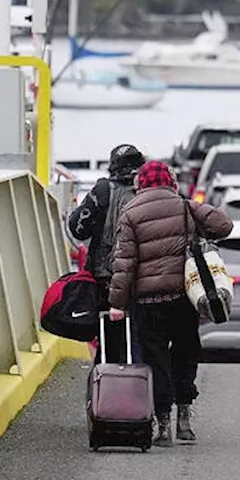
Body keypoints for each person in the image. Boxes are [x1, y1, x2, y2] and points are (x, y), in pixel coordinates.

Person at [109, 160, 233, 447]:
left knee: (155, 360)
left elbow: (124, 263)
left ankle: (162, 424)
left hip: (148, 301)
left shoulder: (130, 213)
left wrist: (117, 303)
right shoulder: (185, 205)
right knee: (186, 353)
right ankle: (185, 421)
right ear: (171, 182)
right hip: (183, 299)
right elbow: (224, 225)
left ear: (140, 184)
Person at [67, 143, 145, 364]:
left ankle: (108, 388)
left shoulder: (102, 191)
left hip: (105, 276)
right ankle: (143, 388)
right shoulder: (149, 192)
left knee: (108, 337)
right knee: (142, 338)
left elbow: (77, 229)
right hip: (144, 277)